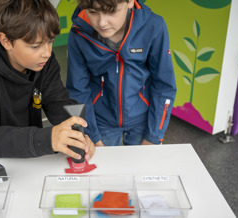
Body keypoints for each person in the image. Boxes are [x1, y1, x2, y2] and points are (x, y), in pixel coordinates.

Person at [0, 0, 96, 160]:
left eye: (50, 41)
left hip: (27, 155)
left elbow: (57, 101)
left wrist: (74, 133)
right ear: (6, 41)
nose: (47, 53)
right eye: (35, 46)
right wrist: (47, 139)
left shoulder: (43, 62)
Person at [66, 0, 177, 146]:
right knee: (104, 167)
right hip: (100, 121)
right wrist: (92, 136)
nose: (102, 23)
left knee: (143, 167)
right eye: (93, 12)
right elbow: (77, 90)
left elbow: (164, 86)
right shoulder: (78, 33)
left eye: (110, 11)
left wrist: (155, 135)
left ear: (130, 2)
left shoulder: (154, 27)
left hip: (143, 120)